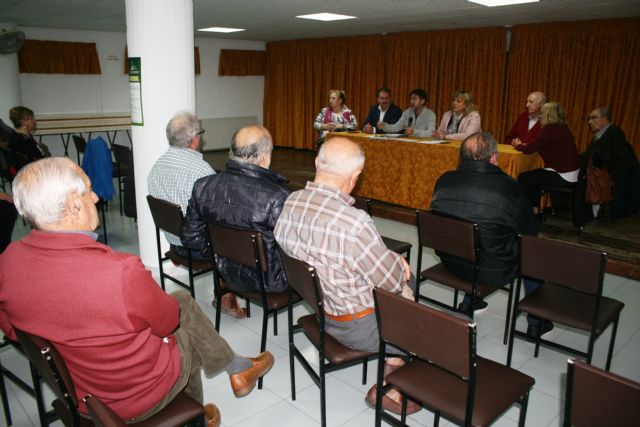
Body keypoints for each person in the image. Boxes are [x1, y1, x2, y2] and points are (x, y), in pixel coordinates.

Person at [0, 157, 274, 426]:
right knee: (185, 337)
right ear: (73, 203)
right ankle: (197, 417)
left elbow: (14, 331)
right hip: (133, 399)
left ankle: (236, 369)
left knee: (181, 299)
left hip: (82, 389)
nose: (95, 197)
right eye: (88, 189)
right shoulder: (119, 272)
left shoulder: (7, 262)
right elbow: (168, 322)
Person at [274, 137, 419, 415]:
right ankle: (391, 387)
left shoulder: (291, 202)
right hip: (356, 328)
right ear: (355, 177)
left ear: (316, 163)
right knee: (407, 284)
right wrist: (399, 264)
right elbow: (390, 281)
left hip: (319, 309)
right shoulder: (354, 222)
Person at [431, 132, 550, 336]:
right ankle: (537, 322)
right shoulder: (509, 188)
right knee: (533, 249)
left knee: (476, 240)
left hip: (452, 261)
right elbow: (529, 231)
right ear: (494, 158)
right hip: (493, 269)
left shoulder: (444, 180)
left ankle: (470, 302)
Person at [182, 125, 290, 297]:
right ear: (264, 158)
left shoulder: (202, 186)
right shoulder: (278, 198)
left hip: (223, 271)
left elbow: (191, 238)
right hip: (270, 281)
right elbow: (293, 252)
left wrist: (220, 257)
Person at [148, 111, 214, 260]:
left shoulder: (156, 167)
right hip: (198, 249)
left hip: (173, 241)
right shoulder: (202, 171)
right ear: (194, 139)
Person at [512, 102, 580, 213]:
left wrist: (517, 145)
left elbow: (529, 149)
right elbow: (537, 144)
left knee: (524, 177)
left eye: (542, 114)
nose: (540, 116)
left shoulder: (550, 129)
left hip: (563, 175)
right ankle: (535, 210)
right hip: (571, 172)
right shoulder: (561, 128)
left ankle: (527, 211)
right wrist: (524, 145)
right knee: (533, 176)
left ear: (548, 115)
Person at [581, 107, 640, 220]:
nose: (589, 122)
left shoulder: (614, 132)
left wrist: (609, 179)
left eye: (594, 118)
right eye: (589, 119)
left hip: (615, 183)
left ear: (605, 118)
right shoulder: (600, 135)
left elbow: (623, 160)